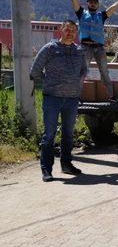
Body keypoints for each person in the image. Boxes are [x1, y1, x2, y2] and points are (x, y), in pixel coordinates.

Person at [60, 0, 118, 102]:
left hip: (99, 48)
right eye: (91, 2)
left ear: (98, 4)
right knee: (82, 72)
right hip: (85, 47)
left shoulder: (102, 15)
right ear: (87, 3)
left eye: (95, 2)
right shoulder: (81, 13)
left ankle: (111, 97)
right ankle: (76, 97)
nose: (93, 4)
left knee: (105, 72)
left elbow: (115, 6)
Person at [30, 20, 87, 182]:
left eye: (73, 31)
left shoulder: (79, 51)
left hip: (72, 99)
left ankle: (67, 165)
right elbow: (35, 70)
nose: (70, 33)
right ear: (61, 30)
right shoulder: (50, 49)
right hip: (52, 99)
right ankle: (46, 170)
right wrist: (49, 82)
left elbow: (84, 71)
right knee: (49, 135)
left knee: (68, 134)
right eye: (67, 30)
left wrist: (76, 84)